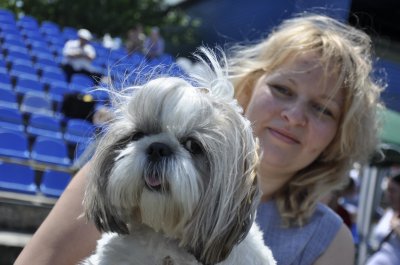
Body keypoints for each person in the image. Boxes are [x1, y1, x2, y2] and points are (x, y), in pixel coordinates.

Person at [15, 13, 383, 265]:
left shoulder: (328, 239)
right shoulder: (121, 169)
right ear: (252, 85)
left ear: (339, 137)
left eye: (323, 110)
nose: (294, 115)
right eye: (283, 89)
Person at [366, 172, 400, 265]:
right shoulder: (389, 213)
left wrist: (397, 228)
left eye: (392, 190)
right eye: (387, 190)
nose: (388, 195)